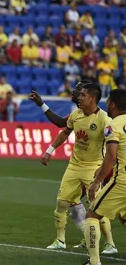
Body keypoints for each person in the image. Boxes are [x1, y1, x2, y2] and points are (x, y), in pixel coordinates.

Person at [29, 83, 117, 252]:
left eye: (82, 95)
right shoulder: (76, 115)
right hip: (74, 165)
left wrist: (105, 169)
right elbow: (64, 131)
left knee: (96, 206)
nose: (79, 97)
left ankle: (110, 244)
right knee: (62, 202)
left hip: (93, 167)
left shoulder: (104, 120)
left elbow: (113, 144)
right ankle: (60, 240)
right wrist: (49, 150)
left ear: (92, 98)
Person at [84, 89, 126, 265]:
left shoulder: (113, 125)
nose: (107, 104)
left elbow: (110, 157)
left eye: (108, 102)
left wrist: (96, 182)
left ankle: (94, 262)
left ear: (113, 104)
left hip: (122, 181)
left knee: (92, 215)